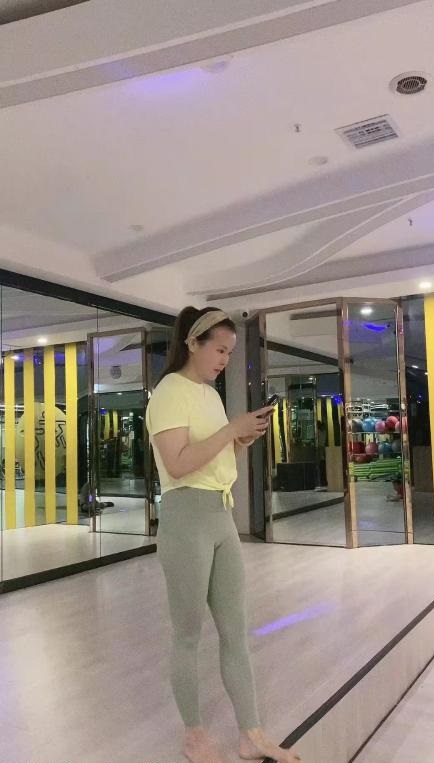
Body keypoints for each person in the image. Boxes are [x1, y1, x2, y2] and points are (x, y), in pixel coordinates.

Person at [146, 306, 301, 763]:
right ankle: (194, 735)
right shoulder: (169, 392)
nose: (224, 360)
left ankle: (251, 733)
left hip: (220, 516)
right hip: (186, 519)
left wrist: (240, 439)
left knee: (235, 631)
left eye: (230, 352)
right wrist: (231, 429)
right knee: (188, 635)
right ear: (192, 343)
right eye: (218, 349)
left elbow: (213, 458)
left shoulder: (209, 395)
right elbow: (177, 464)